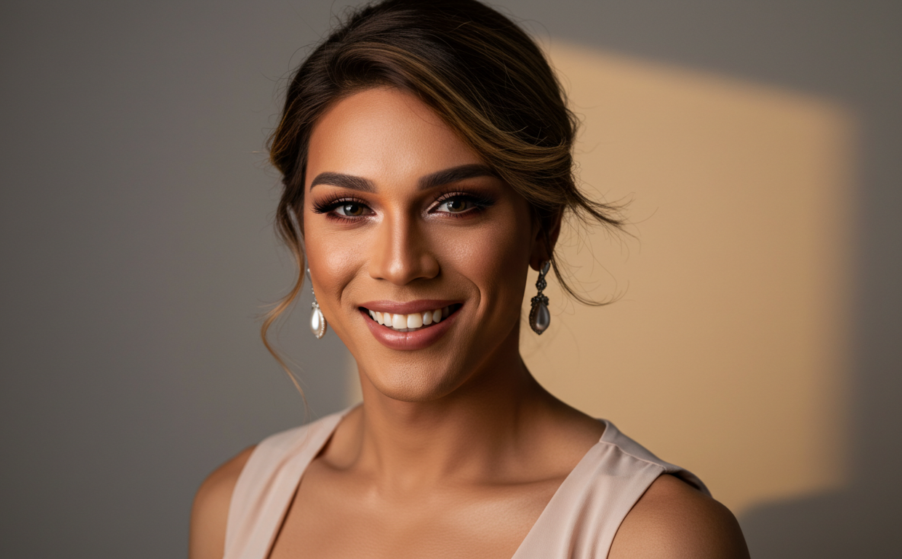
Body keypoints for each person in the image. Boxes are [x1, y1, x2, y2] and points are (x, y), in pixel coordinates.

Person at [189, 1, 750, 557]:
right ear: (303, 233)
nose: (401, 264)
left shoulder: (656, 539)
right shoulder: (232, 506)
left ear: (542, 226)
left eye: (455, 203)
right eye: (349, 208)